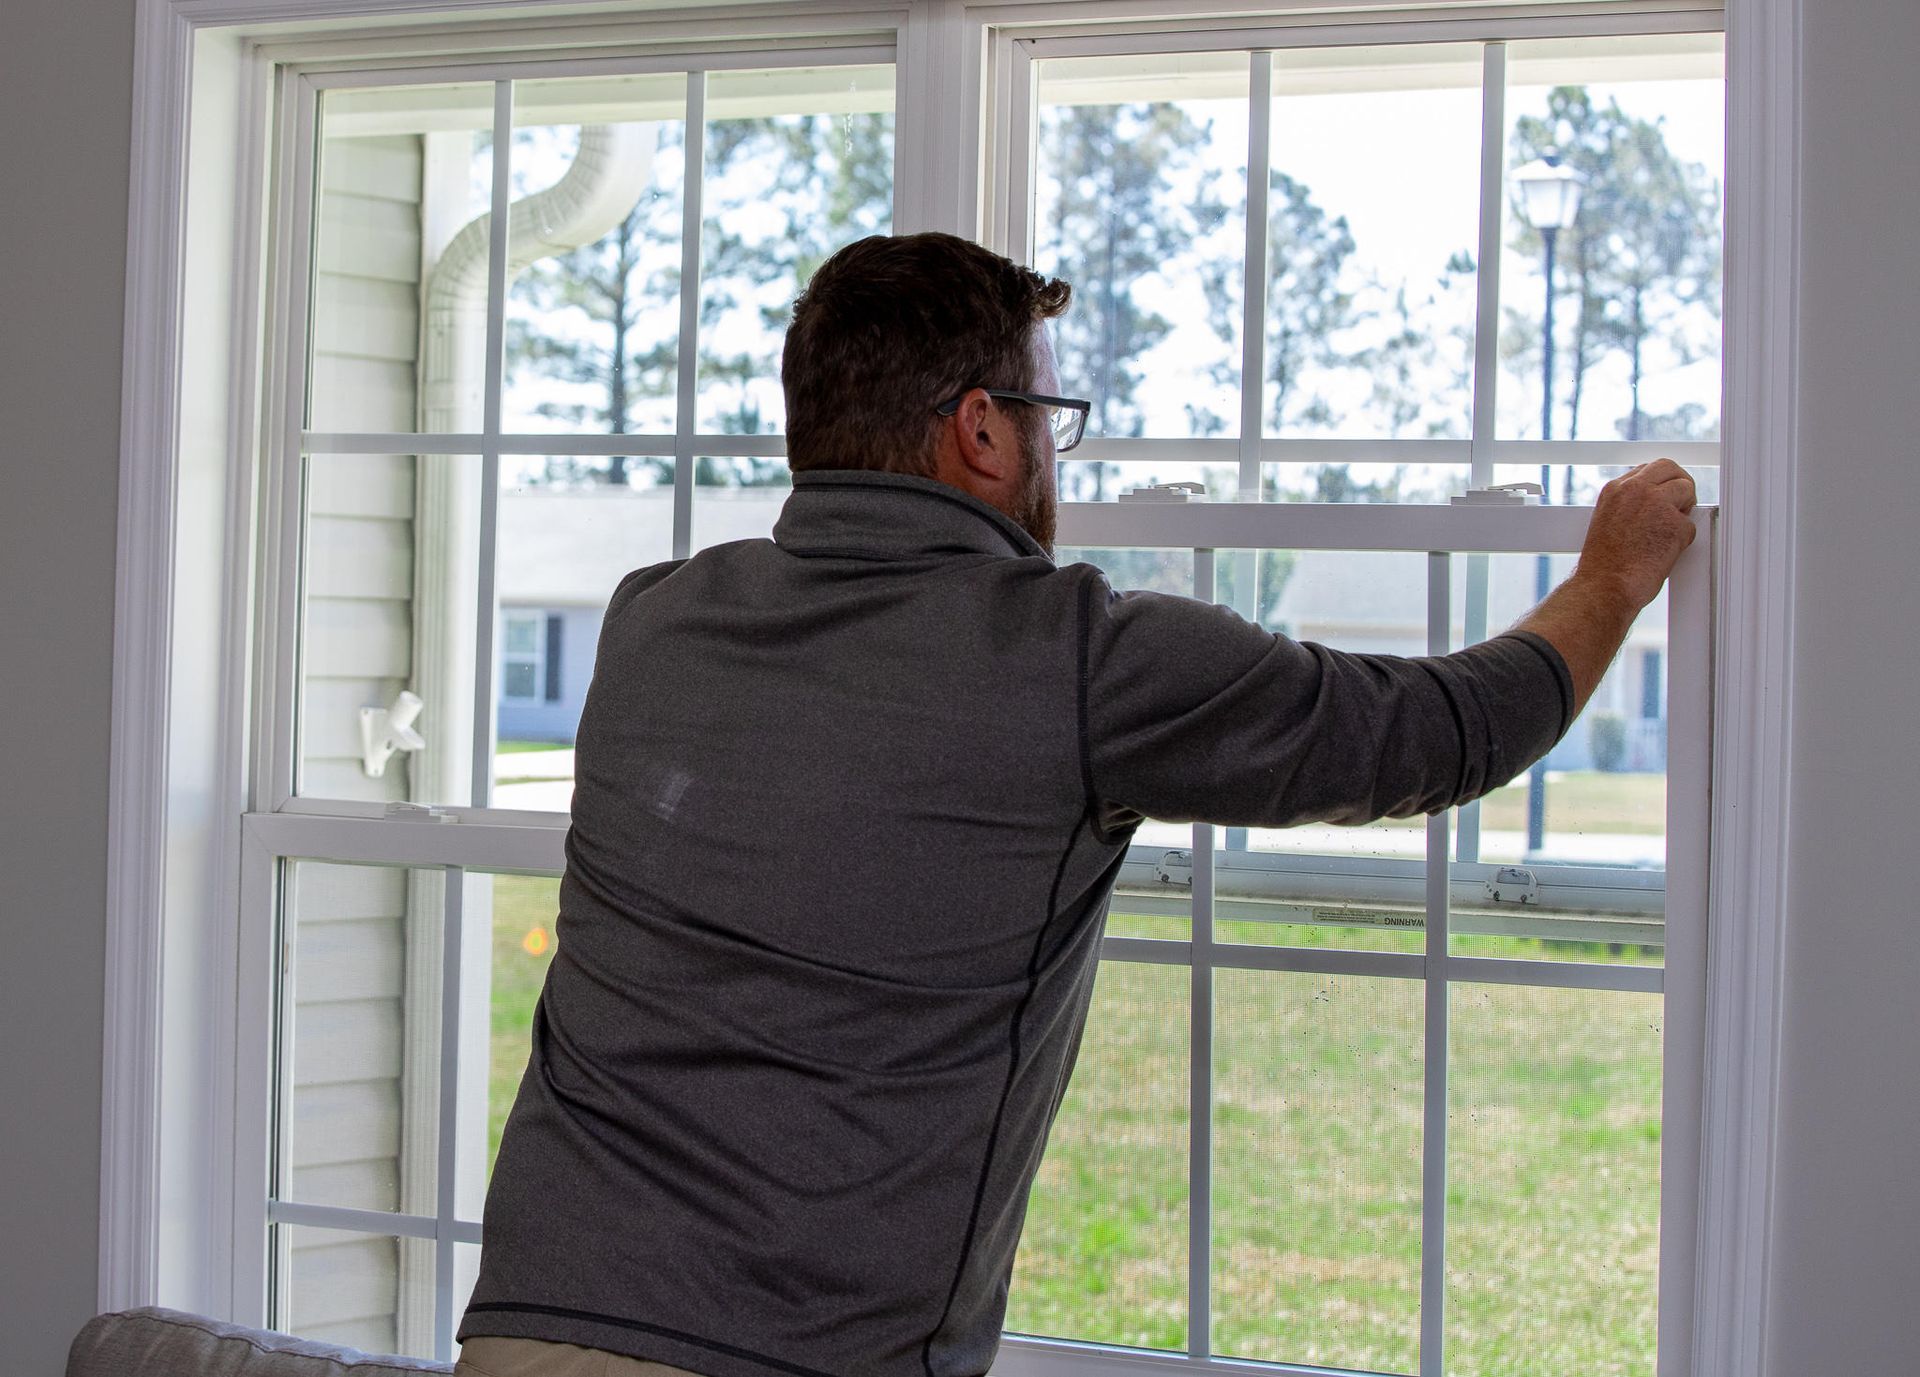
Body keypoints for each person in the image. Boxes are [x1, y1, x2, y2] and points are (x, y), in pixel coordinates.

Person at [455, 232, 1696, 1377]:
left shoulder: (653, 620)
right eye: (1057, 415)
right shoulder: (1079, 661)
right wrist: (1611, 581)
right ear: (984, 431)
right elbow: (1435, 733)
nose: (1062, 452)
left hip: (527, 1327)